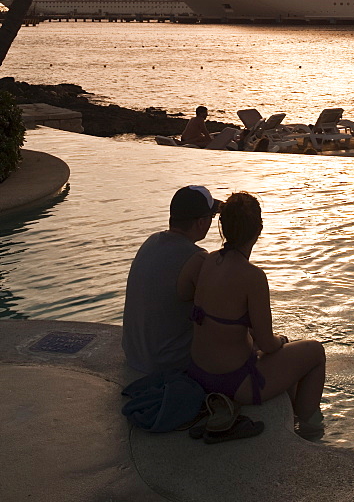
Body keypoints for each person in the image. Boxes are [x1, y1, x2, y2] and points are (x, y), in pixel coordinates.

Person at [185, 191, 326, 439]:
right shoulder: (253, 277)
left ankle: (295, 415)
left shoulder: (203, 261)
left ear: (223, 227)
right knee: (314, 352)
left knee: (282, 355)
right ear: (258, 231)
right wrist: (281, 341)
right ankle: (310, 431)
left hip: (198, 372)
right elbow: (268, 344)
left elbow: (189, 297)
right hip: (233, 383)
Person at [122, 185, 219, 373]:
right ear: (201, 222)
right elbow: (220, 316)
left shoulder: (150, 242)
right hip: (169, 364)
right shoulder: (197, 258)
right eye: (211, 218)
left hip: (134, 356)